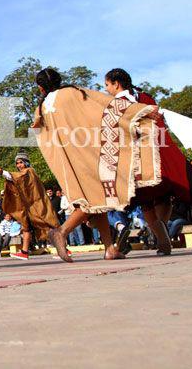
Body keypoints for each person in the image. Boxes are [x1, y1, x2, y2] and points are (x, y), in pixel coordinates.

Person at [32, 68, 161, 261]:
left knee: (98, 202)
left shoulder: (40, 109)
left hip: (66, 162)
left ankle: (110, 248)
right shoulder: (72, 93)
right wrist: (140, 112)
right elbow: (106, 105)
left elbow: (44, 138)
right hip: (86, 155)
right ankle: (61, 231)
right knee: (95, 198)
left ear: (41, 88)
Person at [104, 68, 192, 255]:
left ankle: (163, 241)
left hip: (141, 161)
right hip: (162, 156)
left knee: (146, 202)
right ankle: (162, 237)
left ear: (116, 84)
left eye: (107, 85)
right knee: (163, 196)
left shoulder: (118, 103)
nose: (107, 89)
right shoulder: (145, 97)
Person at [0, 152, 61, 261]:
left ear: (26, 162)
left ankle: (63, 249)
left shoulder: (29, 172)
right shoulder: (24, 173)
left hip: (37, 206)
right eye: (17, 163)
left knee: (47, 228)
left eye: (21, 162)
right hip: (29, 207)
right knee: (26, 228)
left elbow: (17, 178)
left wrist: (4, 173)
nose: (19, 165)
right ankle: (24, 252)